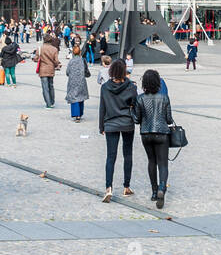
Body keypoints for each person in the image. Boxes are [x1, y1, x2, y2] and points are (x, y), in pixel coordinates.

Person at [98, 58, 137, 202]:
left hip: (110, 124)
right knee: (128, 155)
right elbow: (135, 105)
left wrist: (101, 126)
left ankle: (108, 188)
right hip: (127, 123)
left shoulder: (105, 87)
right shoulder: (131, 87)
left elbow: (102, 107)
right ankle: (126, 187)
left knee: (110, 157)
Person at [134, 69, 174, 208]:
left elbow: (137, 119)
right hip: (162, 133)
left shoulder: (140, 98)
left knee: (152, 161)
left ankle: (154, 191)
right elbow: (169, 119)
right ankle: (162, 188)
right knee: (163, 164)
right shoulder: (164, 98)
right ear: (158, 82)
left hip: (146, 133)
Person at [65, 40, 89, 121]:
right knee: (80, 97)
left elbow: (67, 72)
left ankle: (76, 114)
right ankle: (80, 113)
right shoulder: (83, 60)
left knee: (74, 97)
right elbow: (86, 71)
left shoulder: (71, 61)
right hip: (81, 81)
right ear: (80, 52)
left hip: (72, 81)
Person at [37, 31, 60, 108]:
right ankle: (52, 101)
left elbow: (36, 58)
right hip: (51, 69)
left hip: (43, 70)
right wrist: (57, 64)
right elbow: (56, 61)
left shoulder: (40, 48)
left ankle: (48, 104)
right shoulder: (54, 49)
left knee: (45, 88)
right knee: (51, 86)